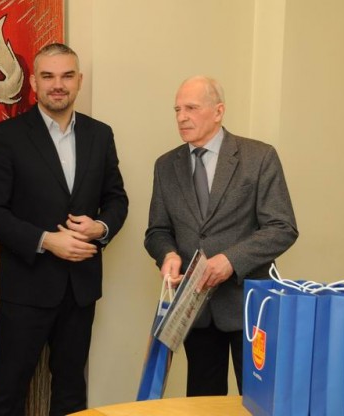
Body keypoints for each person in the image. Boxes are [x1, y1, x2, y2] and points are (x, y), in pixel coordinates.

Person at [0, 43, 128, 416]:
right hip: (27, 288)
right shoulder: (8, 135)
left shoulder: (100, 135)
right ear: (33, 82)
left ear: (79, 80)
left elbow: (116, 199)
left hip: (81, 290)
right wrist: (46, 241)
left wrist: (101, 227)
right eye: (48, 76)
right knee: (7, 391)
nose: (57, 85)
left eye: (66, 76)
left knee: (72, 390)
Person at [144, 76, 298, 396]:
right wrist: (168, 254)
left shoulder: (259, 157)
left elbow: (282, 227)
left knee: (257, 402)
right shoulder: (166, 165)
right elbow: (157, 231)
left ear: (218, 111)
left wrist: (230, 260)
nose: (182, 117)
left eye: (191, 108)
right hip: (195, 309)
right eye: (177, 110)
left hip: (250, 306)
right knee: (202, 401)